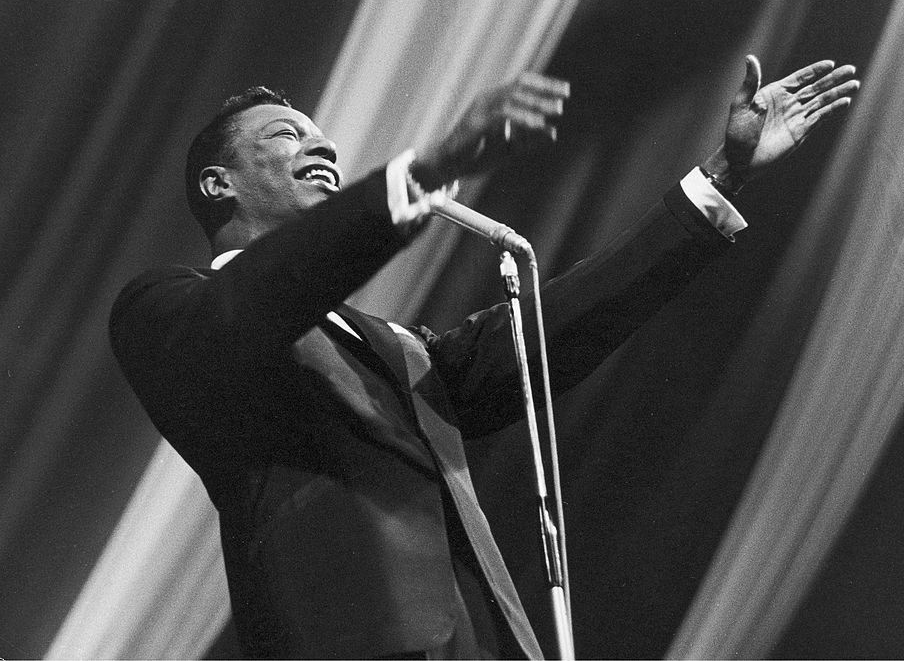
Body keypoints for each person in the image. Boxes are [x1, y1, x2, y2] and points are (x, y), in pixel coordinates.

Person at [109, 55, 858, 659]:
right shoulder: (166, 314)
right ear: (220, 184)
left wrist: (721, 177)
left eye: (320, 134)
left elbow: (542, 335)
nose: (323, 145)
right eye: (284, 135)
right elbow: (259, 301)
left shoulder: (391, 349)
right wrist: (423, 169)